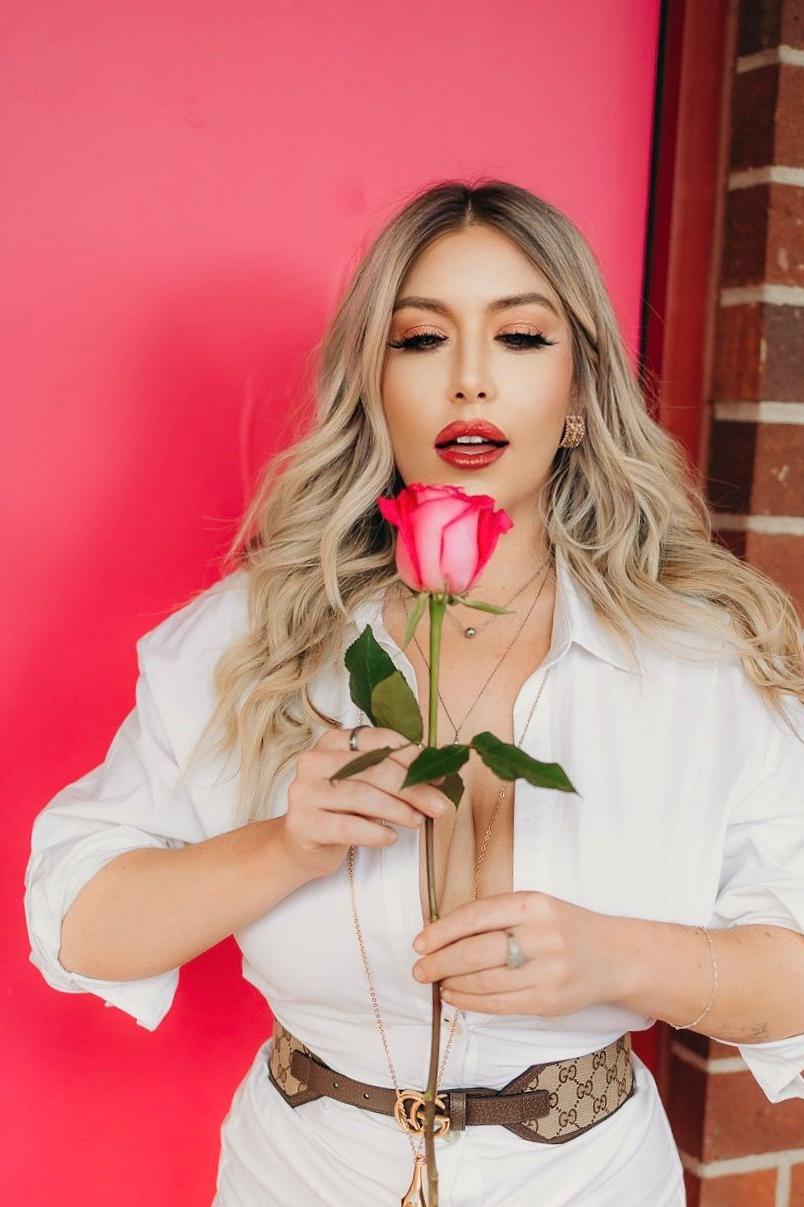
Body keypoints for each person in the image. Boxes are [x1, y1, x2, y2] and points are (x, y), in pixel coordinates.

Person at [24, 180, 804, 1207]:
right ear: (374, 383)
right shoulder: (252, 639)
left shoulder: (701, 659)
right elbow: (79, 926)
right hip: (301, 1178)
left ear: (580, 391)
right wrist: (286, 845)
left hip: (593, 1179)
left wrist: (617, 955)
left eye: (519, 336)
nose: (469, 380)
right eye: (422, 339)